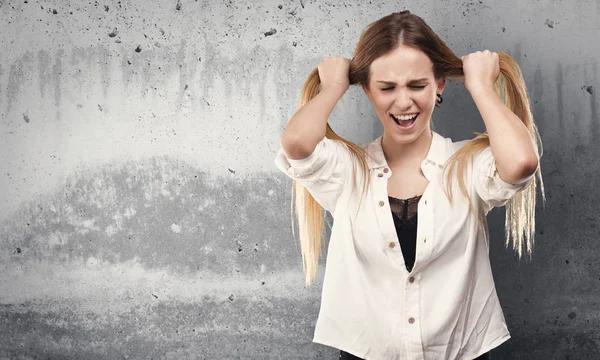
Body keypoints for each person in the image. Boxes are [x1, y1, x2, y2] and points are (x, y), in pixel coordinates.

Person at [274, 11, 545, 360]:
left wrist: (480, 85)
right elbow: (296, 144)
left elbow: (521, 162)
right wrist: (334, 87)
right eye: (387, 88)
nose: (404, 102)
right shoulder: (347, 170)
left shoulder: (466, 167)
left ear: (439, 85)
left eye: (418, 85)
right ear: (368, 91)